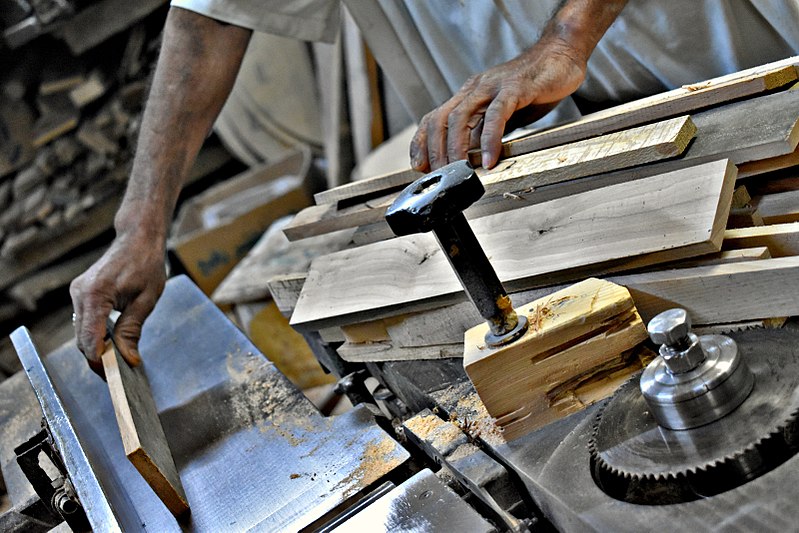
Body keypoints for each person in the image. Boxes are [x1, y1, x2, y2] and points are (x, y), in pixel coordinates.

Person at [70, 0, 799, 371]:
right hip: (536, 139)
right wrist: (139, 229)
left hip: (724, 65)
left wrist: (564, 39)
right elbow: (211, 18)